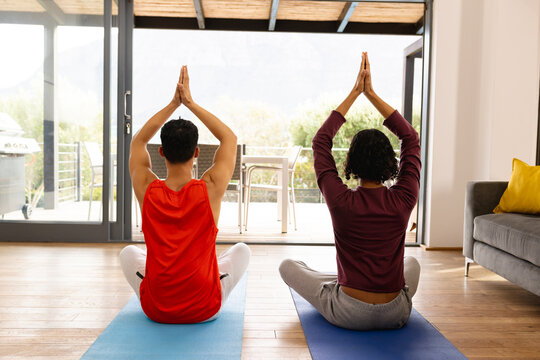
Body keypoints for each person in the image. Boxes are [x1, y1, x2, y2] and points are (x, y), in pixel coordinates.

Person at [279, 52, 421, 330]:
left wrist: (355, 93)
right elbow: (411, 138)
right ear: (391, 163)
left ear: (351, 163)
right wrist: (372, 94)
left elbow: (321, 141)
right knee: (413, 262)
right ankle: (342, 281)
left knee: (287, 265)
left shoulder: (341, 200)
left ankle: (341, 282)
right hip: (397, 313)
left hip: (348, 312)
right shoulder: (404, 198)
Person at [120, 65, 250, 324]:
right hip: (205, 307)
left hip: (157, 308)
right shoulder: (211, 188)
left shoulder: (146, 187)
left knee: (128, 253)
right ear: (197, 152)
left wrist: (173, 104)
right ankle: (214, 268)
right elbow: (229, 138)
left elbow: (137, 142)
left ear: (161, 153)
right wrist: (189, 103)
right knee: (242, 250)